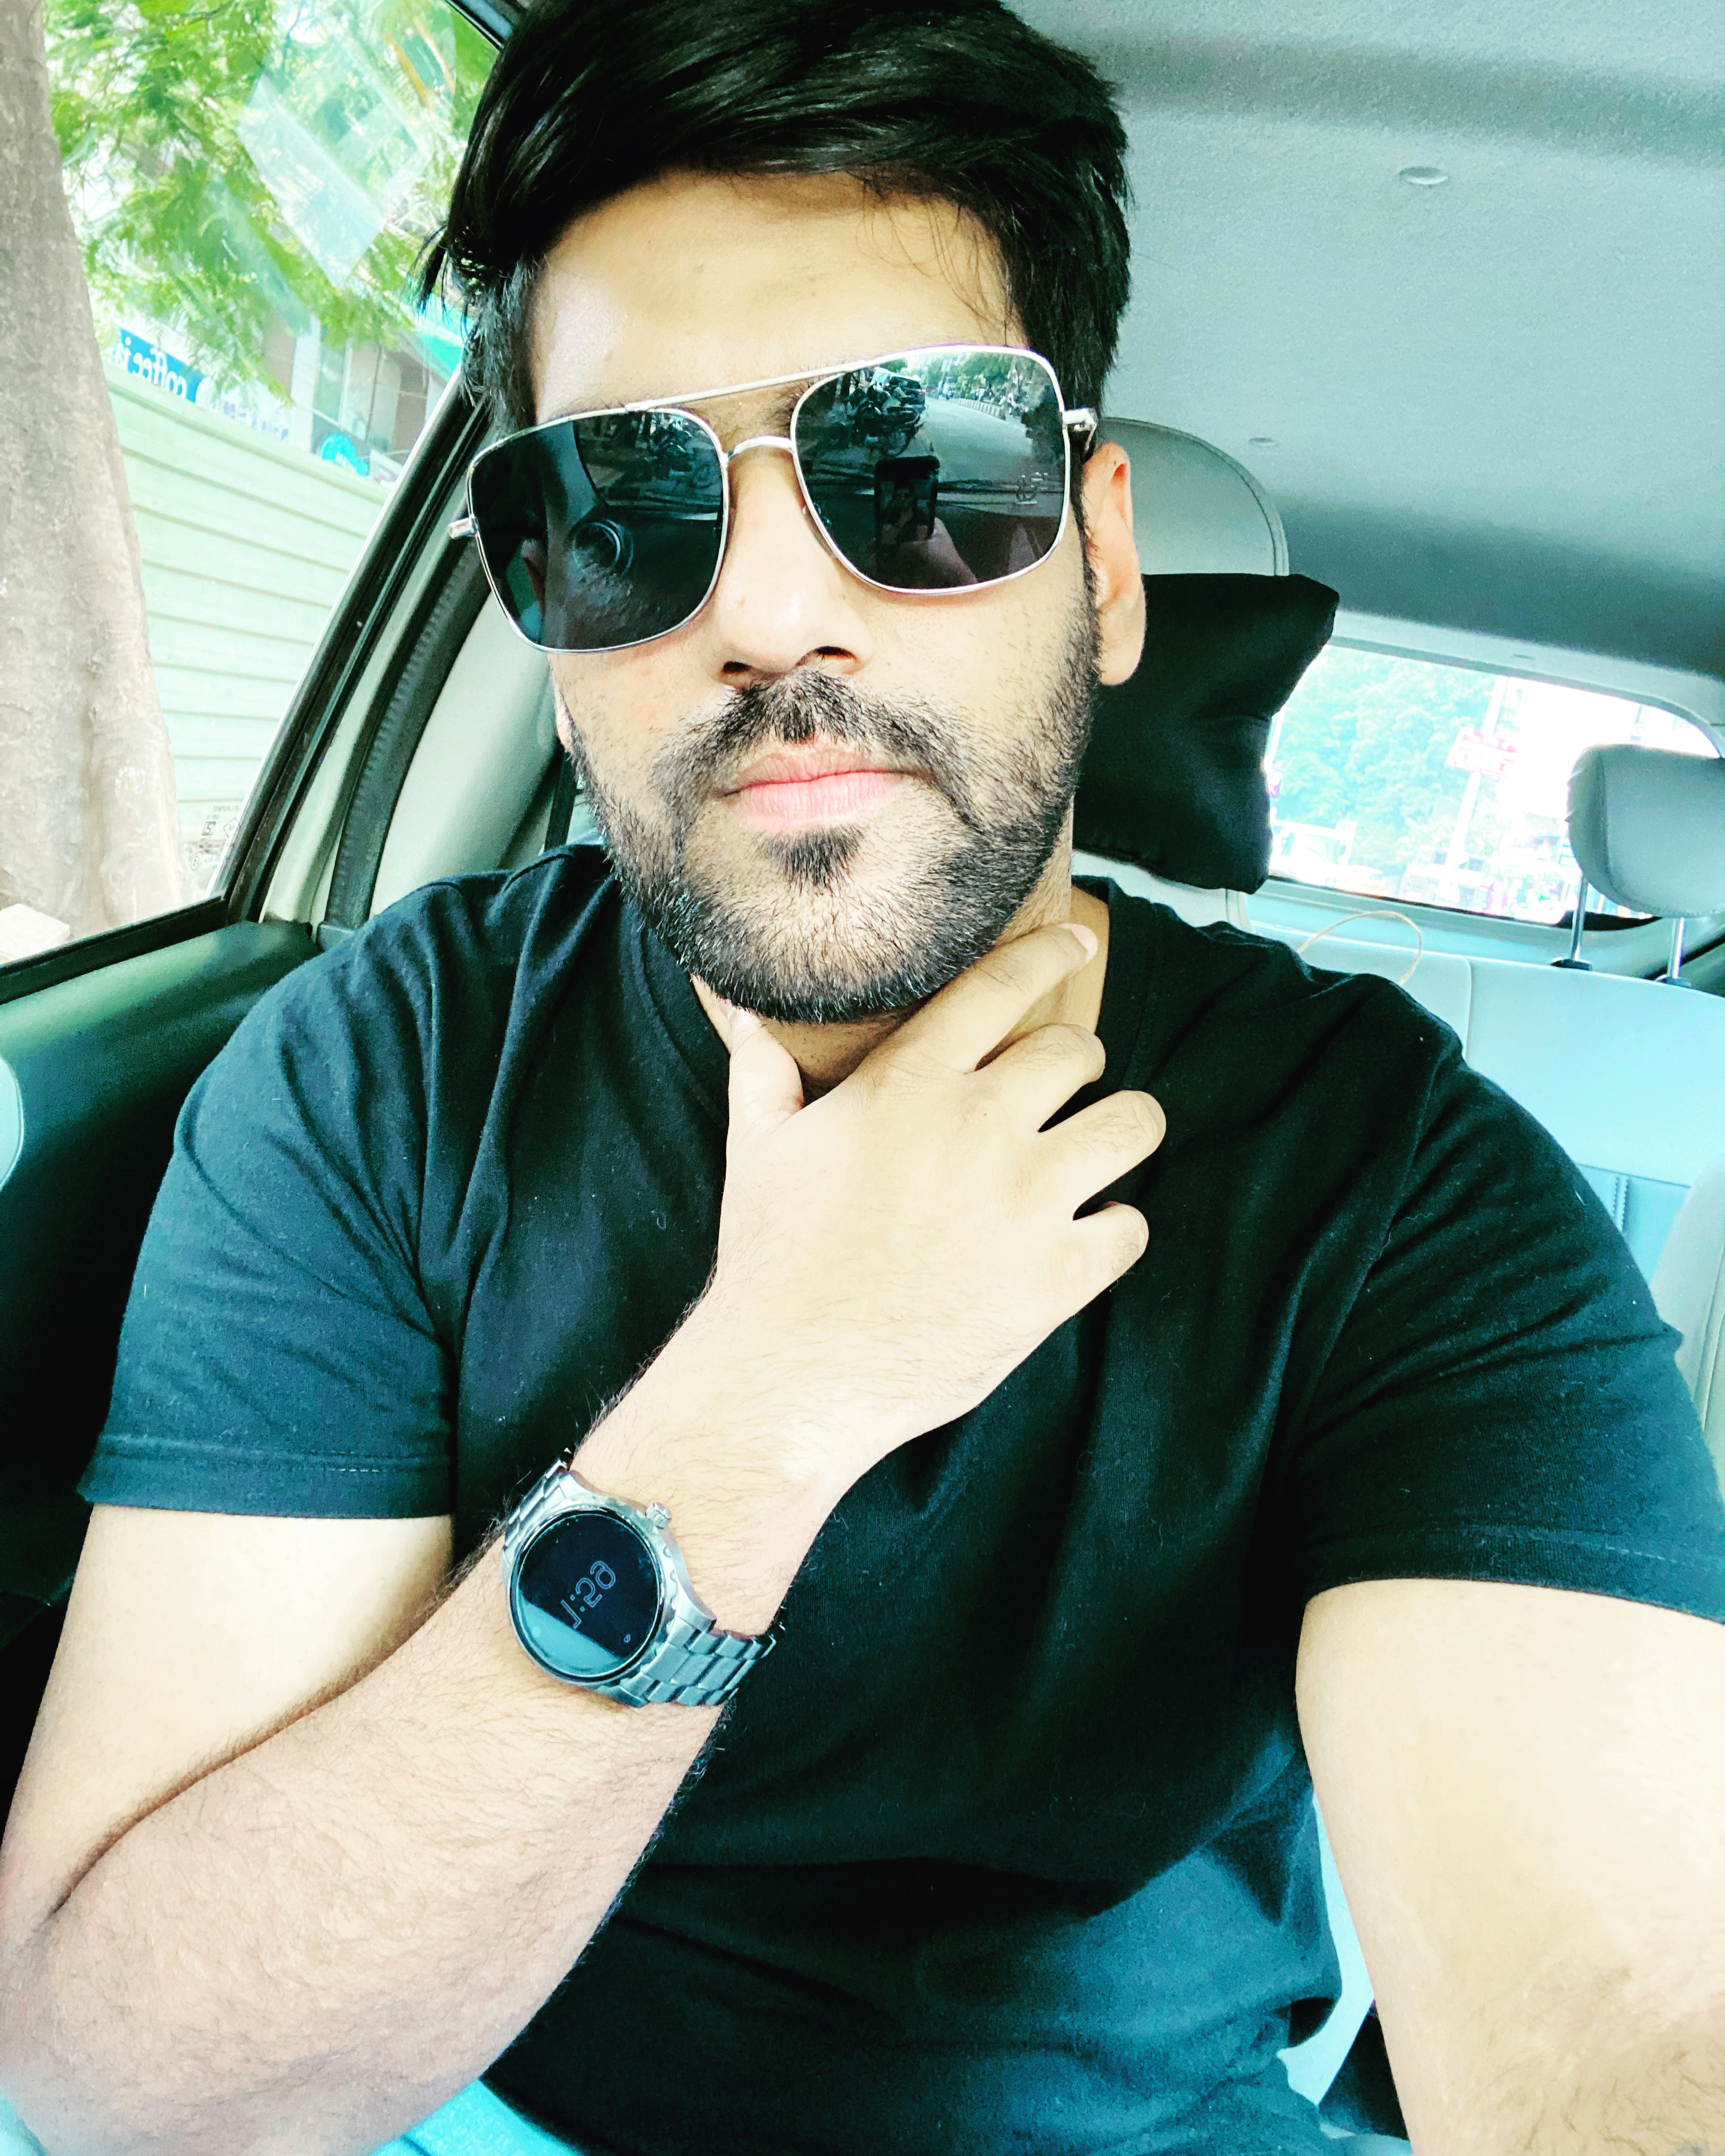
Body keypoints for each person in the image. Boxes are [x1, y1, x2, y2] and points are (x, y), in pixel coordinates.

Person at [2, 2, 1722, 2153]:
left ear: (1103, 566)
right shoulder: (383, 1073)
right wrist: (773, 1399)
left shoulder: (1401, 1195)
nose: (768, 614)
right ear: (548, 612)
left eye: (917, 468)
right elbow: (127, 2075)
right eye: (624, 503)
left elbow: (1627, 2002)